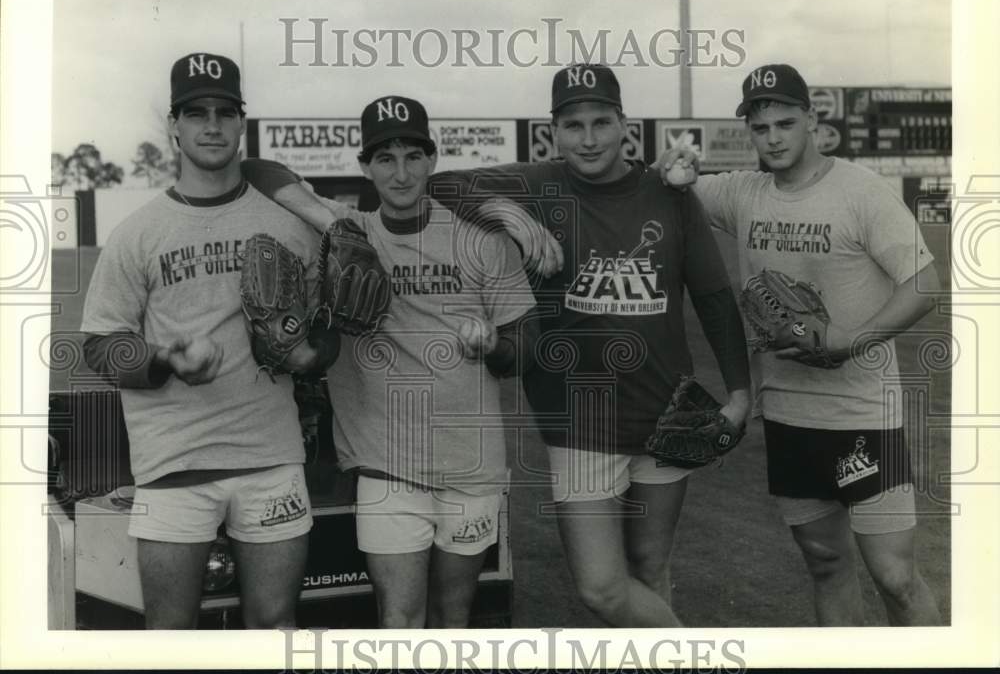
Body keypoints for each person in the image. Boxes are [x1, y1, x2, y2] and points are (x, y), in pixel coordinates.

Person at [247, 65, 753, 627]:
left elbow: (711, 295)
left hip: (663, 409)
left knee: (651, 568)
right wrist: (505, 209)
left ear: (623, 124)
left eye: (601, 122)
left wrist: (739, 392)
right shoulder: (534, 185)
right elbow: (426, 185)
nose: (588, 138)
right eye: (573, 125)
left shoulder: (667, 194)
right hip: (579, 419)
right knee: (602, 588)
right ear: (553, 131)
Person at [658, 63, 943, 626]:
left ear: (812, 120)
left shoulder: (860, 191)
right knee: (825, 562)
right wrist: (672, 169)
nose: (773, 138)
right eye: (760, 129)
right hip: (788, 413)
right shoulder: (742, 193)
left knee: (896, 578)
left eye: (785, 123)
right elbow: (659, 187)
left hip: (863, 412)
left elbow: (924, 286)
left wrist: (848, 340)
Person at [244, 95, 539, 628]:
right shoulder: (347, 234)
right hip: (387, 466)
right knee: (399, 621)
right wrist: (330, 222)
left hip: (472, 463)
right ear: (365, 166)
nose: (400, 173)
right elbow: (255, 168)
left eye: (412, 156)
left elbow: (527, 349)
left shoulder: (481, 240)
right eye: (385, 158)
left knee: (454, 619)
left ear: (431, 160)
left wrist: (494, 344)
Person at [80, 52, 331, 629]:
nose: (211, 125)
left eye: (224, 112)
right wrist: (165, 359)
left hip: (270, 456)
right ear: (175, 126)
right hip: (173, 464)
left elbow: (324, 326)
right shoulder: (137, 232)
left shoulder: (289, 224)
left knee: (274, 626)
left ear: (243, 122)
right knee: (171, 636)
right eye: (196, 114)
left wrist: (315, 352)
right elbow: (99, 345)